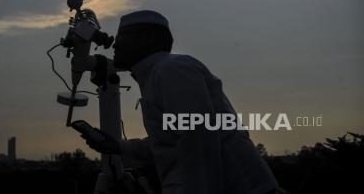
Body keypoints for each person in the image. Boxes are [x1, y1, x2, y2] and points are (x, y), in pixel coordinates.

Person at [81, 10, 279, 194]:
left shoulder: (170, 69)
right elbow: (171, 141)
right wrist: (118, 147)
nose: (115, 45)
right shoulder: (159, 74)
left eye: (122, 36)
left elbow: (197, 137)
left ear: (147, 38)